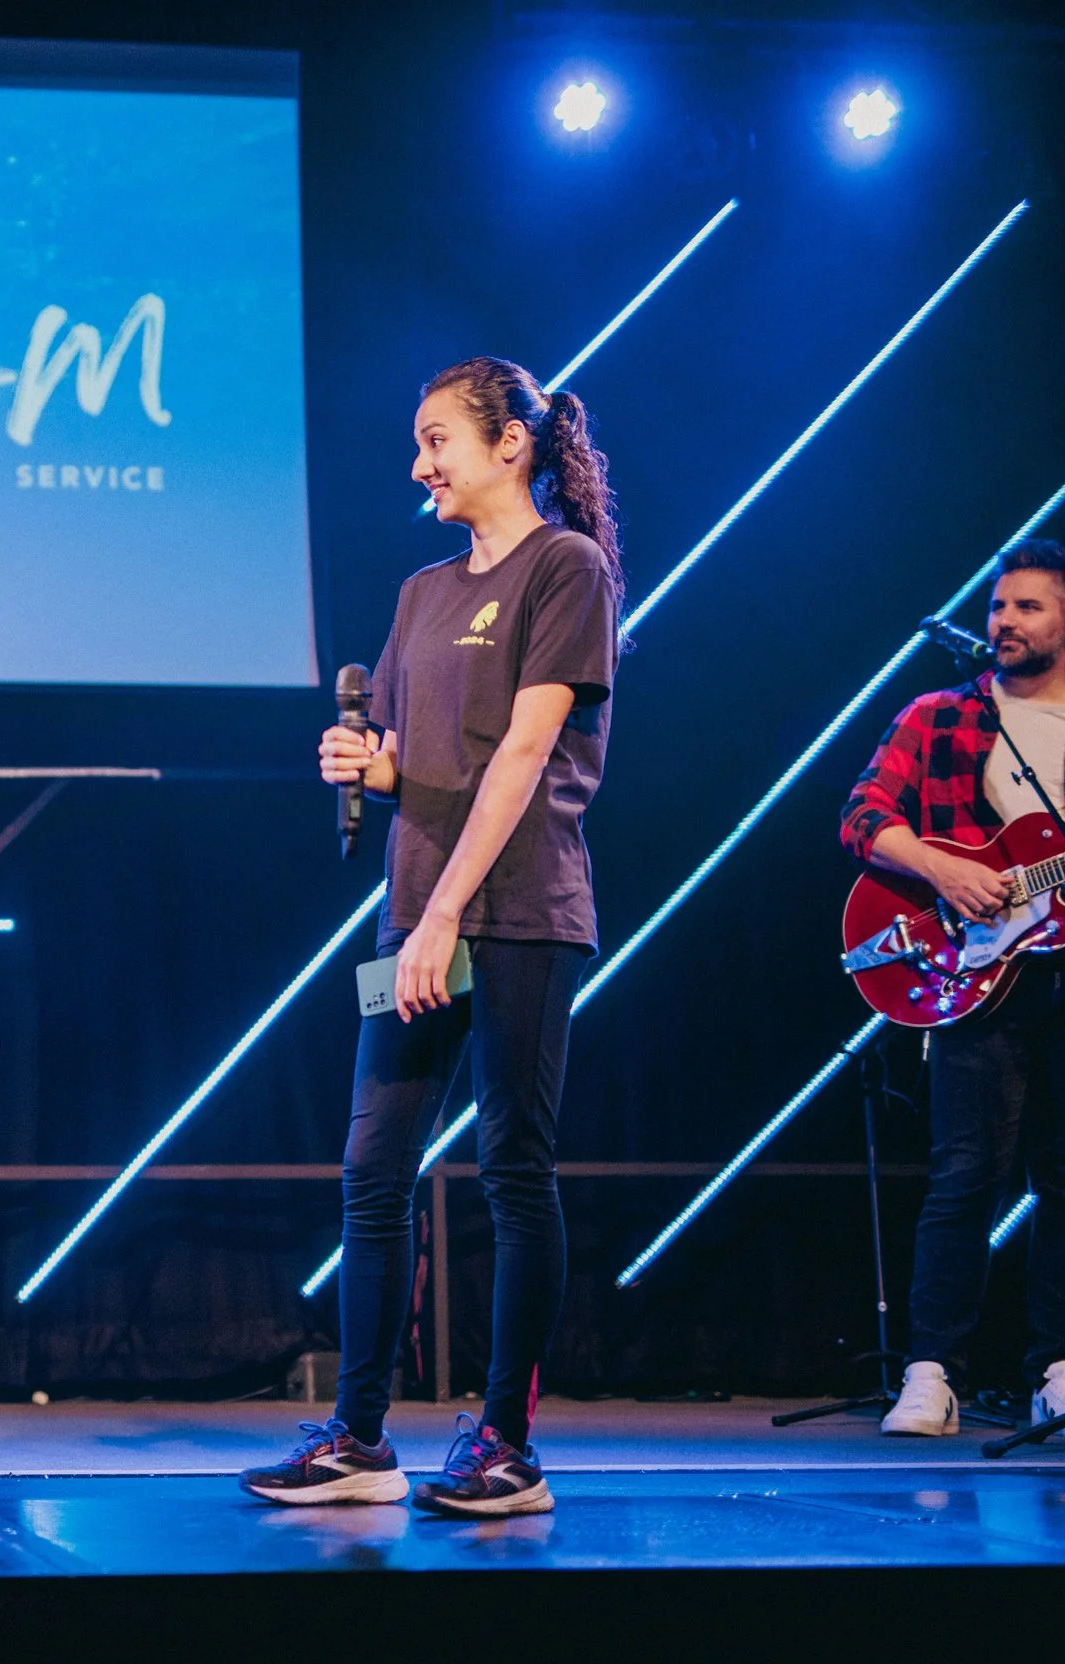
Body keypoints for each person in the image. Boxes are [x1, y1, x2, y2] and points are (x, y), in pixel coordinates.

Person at [241, 357, 622, 1518]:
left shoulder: (568, 566)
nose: (419, 464)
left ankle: (507, 1442)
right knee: (371, 1168)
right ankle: (358, 1436)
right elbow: (431, 755)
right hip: (414, 915)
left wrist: (446, 908)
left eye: (437, 440)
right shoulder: (420, 592)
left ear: (511, 442)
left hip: (514, 912)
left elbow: (520, 753)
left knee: (512, 1167)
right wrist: (374, 762)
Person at [841, 539, 1065, 1439]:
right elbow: (863, 815)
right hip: (971, 978)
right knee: (964, 1177)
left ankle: (1059, 1369)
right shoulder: (941, 714)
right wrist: (943, 868)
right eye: (998, 607)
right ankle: (931, 1371)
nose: (1005, 622)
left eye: (1027, 607)